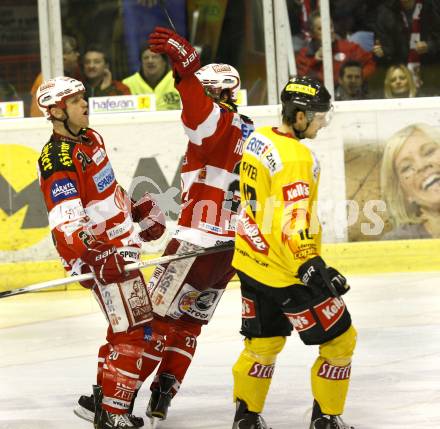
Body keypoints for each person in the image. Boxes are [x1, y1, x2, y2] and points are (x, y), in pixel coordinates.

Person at [138, 27, 255, 424]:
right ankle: (163, 393)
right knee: (189, 324)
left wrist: (187, 73)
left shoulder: (217, 123)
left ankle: (118, 395)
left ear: (218, 94)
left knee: (156, 320)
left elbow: (198, 119)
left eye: (207, 92)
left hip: (195, 243)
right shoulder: (249, 130)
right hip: (228, 250)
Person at [36, 76, 166, 429]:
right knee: (135, 332)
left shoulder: (91, 139)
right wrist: (97, 254)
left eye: (83, 98)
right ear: (56, 111)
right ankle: (114, 412)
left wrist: (136, 210)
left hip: (119, 250)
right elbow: (66, 223)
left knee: (125, 327)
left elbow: (105, 189)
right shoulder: (57, 158)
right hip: (99, 257)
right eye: (75, 101)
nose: (84, 104)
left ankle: (100, 401)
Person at [231, 76, 356, 429]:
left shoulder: (258, 139)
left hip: (252, 262)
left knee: (263, 342)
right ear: (299, 116)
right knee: (341, 339)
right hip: (289, 272)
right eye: (317, 116)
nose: (321, 122)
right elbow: (292, 219)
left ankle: (246, 417)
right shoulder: (297, 158)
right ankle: (327, 419)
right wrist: (311, 266)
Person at [381, 123, 440, 239]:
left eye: (429, 152)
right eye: (407, 167)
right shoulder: (397, 243)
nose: (421, 166)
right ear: (404, 193)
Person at [373, 0, 440, 92]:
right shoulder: (385, 11)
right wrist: (382, 52)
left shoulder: (431, 6)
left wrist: (430, 46)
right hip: (398, 72)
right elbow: (384, 46)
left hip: (431, 69)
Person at [296, 11, 376, 86]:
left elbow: (370, 64)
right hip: (318, 96)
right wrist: (315, 60)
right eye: (321, 29)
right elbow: (302, 80)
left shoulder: (349, 47)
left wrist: (357, 78)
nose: (329, 31)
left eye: (330, 26)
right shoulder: (304, 55)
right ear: (312, 33)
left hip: (346, 95)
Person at [30, 35, 82, 117]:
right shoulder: (47, 79)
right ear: (63, 57)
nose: (78, 54)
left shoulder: (71, 75)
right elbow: (38, 115)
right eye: (74, 51)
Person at [122, 43, 180, 110]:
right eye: (146, 58)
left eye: (155, 57)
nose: (150, 61)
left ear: (164, 62)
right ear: (141, 63)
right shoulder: (127, 84)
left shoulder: (179, 81)